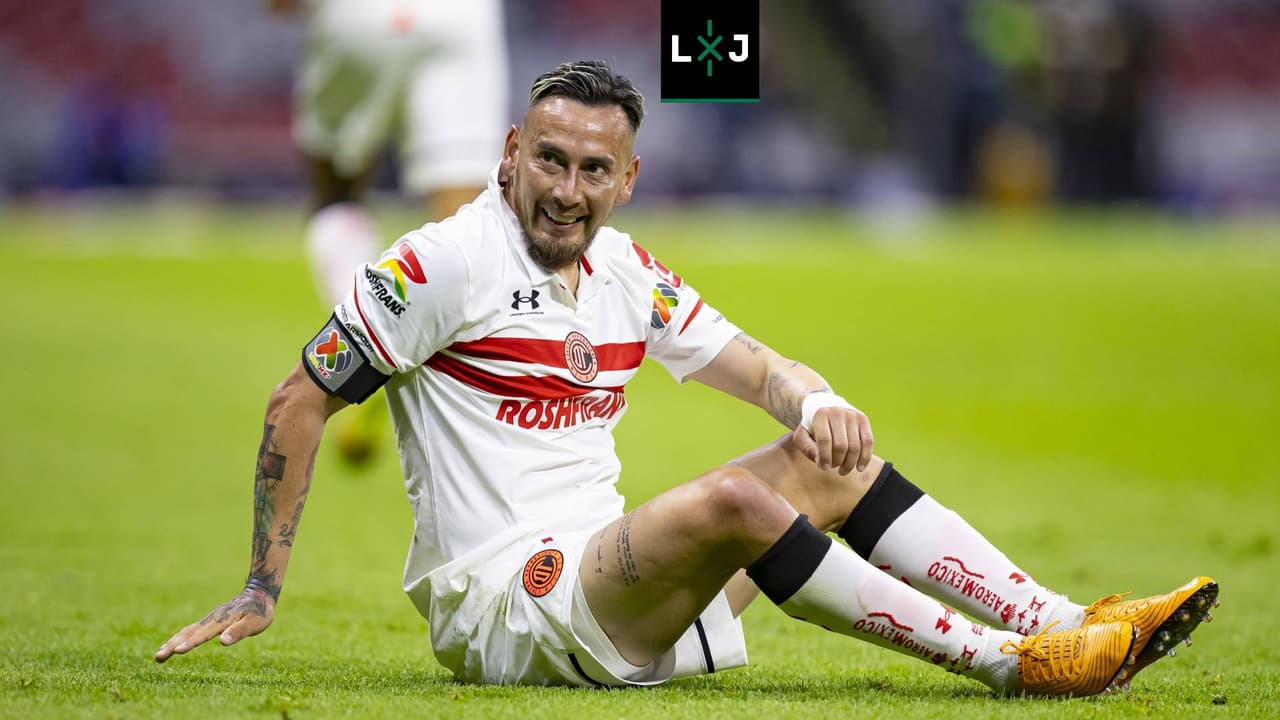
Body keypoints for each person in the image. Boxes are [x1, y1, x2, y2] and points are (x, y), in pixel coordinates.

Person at [155, 60, 1218, 695]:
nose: (566, 190)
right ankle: (1008, 665)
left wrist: (816, 399)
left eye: (593, 170)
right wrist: (261, 585)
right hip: (510, 607)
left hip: (614, 580)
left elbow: (762, 369)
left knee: (824, 458)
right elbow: (300, 398)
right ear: (509, 152)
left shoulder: (624, 272)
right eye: (549, 159)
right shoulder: (440, 262)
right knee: (731, 502)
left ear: (628, 178)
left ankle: (1062, 621)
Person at [267, 0, 509, 463]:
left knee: (336, 191)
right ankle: (464, 395)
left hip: (360, 17)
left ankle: (373, 342)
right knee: (467, 224)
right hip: (461, 18)